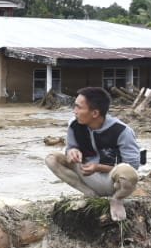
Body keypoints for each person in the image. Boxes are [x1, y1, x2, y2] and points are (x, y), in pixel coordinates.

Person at [45, 86, 141, 221]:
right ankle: (90, 194)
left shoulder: (122, 131)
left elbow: (132, 167)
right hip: (86, 174)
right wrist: (72, 151)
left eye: (79, 107)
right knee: (51, 159)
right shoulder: (75, 125)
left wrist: (98, 167)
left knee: (128, 172)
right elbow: (70, 147)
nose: (75, 111)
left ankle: (117, 199)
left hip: (112, 181)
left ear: (95, 113)